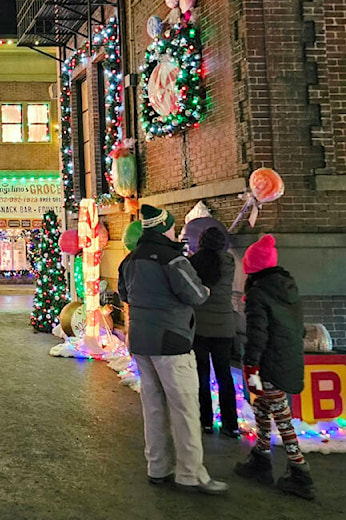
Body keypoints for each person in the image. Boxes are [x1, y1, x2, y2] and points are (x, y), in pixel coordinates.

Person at [117, 205, 228, 495]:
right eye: (171, 226)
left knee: (153, 406)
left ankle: (157, 467)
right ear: (164, 228)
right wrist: (206, 292)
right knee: (184, 408)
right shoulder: (173, 260)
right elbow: (195, 294)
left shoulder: (129, 260)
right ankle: (191, 474)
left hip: (140, 342)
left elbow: (124, 294)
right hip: (172, 341)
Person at [234, 234, 314, 500]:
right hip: (288, 359)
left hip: (269, 364)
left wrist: (251, 364)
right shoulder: (288, 288)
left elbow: (258, 333)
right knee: (263, 408)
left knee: (281, 416)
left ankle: (299, 471)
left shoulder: (258, 294)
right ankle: (260, 456)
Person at [189, 227, 240, 438]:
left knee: (201, 374)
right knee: (224, 375)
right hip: (224, 327)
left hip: (200, 326)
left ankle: (206, 421)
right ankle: (231, 424)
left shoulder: (194, 263)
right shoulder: (229, 263)